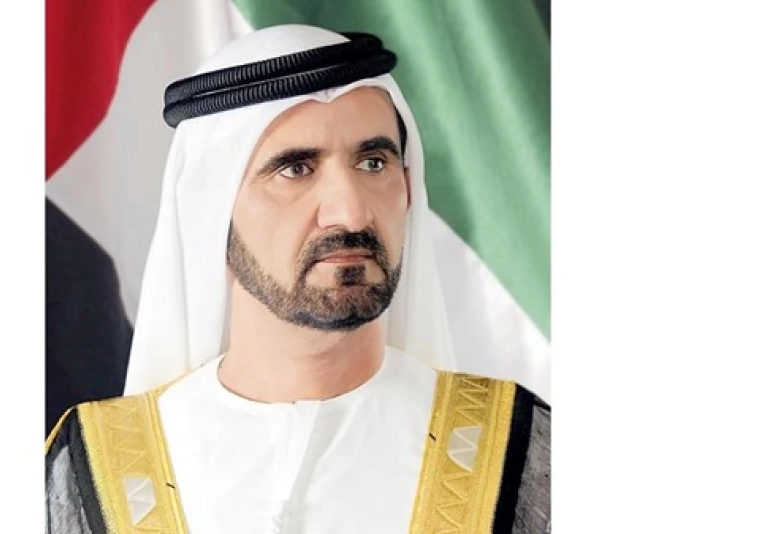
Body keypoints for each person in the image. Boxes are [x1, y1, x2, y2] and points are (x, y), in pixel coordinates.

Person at [46, 25, 549, 534]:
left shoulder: (523, 454)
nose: (351, 213)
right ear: (210, 212)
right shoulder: (88, 475)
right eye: (296, 169)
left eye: (373, 162)